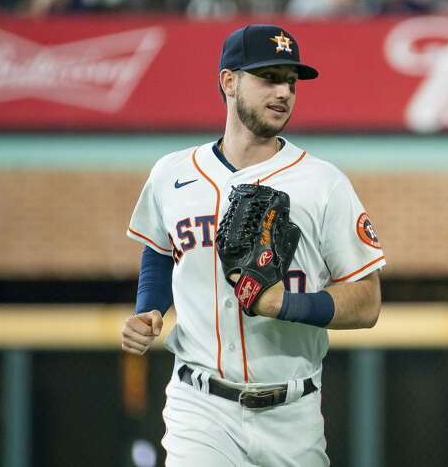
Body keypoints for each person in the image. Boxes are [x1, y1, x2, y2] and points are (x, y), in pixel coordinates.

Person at [120, 24, 385, 466]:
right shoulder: (171, 173)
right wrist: (149, 307)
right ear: (229, 81)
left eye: (291, 82)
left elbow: (368, 302)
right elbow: (160, 249)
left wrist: (283, 304)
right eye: (269, 77)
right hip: (199, 407)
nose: (283, 92)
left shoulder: (323, 183)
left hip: (293, 413)